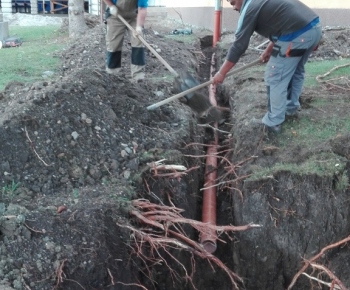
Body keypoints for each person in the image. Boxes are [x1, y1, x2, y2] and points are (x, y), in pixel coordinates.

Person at [212, 0, 322, 133]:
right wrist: (270, 49)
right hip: (313, 29)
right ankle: (290, 109)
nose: (234, 7)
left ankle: (273, 123)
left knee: (275, 76)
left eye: (233, 3)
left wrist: (221, 73)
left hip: (297, 36)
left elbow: (239, 46)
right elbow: (283, 21)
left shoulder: (249, 9)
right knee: (294, 71)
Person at [103, 0, 148, 80]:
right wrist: (111, 6)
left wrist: (138, 28)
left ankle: (138, 76)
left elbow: (142, 8)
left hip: (134, 17)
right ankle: (113, 75)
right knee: (113, 45)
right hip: (115, 16)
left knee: (138, 43)